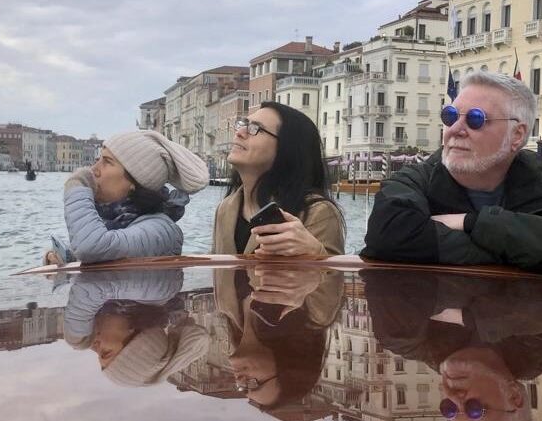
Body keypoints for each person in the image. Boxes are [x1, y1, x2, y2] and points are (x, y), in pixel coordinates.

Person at [362, 72, 542, 282]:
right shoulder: (415, 179)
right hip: (441, 329)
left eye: (475, 119)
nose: (455, 129)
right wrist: (523, 251)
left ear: (517, 135)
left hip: (517, 334)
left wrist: (471, 223)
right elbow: (387, 233)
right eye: (450, 116)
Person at [362, 269, 542, 421]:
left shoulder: (409, 343)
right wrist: (465, 316)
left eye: (448, 410)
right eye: (474, 410)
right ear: (514, 396)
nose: (453, 397)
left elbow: (388, 288)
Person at [54, 130, 209, 264]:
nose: (94, 169)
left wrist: (77, 185)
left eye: (107, 162)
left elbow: (91, 247)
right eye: (98, 160)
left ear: (135, 181)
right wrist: (67, 259)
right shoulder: (113, 222)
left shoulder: (161, 230)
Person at [212, 101, 344, 256]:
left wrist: (315, 254)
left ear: (287, 149)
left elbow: (333, 277)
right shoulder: (225, 209)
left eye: (255, 128)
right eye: (243, 124)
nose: (239, 132)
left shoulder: (318, 212)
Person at [212, 265, 342, 411]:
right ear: (288, 369)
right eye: (254, 383)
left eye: (242, 387)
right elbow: (329, 257)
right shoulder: (317, 314)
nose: (240, 380)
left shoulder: (224, 307)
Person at [63, 268, 209, 386]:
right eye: (105, 352)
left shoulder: (96, 308)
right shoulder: (155, 288)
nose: (92, 346)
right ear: (136, 333)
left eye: (97, 354)